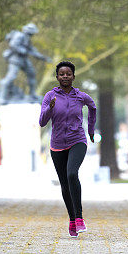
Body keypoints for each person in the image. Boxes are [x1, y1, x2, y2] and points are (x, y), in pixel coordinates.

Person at [39, 61, 97, 237]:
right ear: (57, 77)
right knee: (64, 183)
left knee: (72, 174)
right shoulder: (50, 96)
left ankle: (79, 218)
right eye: (62, 74)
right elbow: (42, 122)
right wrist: (50, 109)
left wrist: (91, 130)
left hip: (77, 140)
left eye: (68, 74)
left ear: (73, 76)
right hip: (57, 145)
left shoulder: (80, 96)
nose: (65, 76)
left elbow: (93, 106)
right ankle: (72, 220)